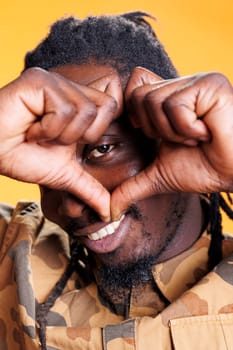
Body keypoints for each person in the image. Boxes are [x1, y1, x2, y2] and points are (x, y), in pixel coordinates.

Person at [0, 11, 233, 350]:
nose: (70, 203)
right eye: (46, 169)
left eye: (102, 149)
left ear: (174, 132)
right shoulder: (12, 255)